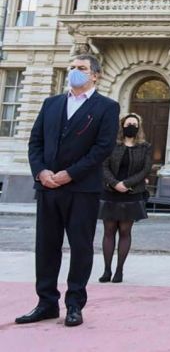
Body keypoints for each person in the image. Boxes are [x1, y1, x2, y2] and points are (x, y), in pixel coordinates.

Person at [17, 54, 120, 328]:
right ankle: (46, 302)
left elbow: (102, 148)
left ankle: (74, 303)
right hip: (48, 187)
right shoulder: (51, 104)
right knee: (46, 247)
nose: (75, 72)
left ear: (94, 75)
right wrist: (41, 172)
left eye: (82, 68)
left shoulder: (106, 107)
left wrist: (69, 174)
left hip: (82, 189)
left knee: (80, 247)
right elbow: (35, 142)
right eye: (72, 67)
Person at [98, 113, 153, 284]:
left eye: (134, 124)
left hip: (132, 193)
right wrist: (115, 184)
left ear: (139, 127)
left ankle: (119, 270)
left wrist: (127, 183)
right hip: (110, 192)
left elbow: (145, 169)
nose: (131, 126)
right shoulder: (112, 145)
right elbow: (103, 166)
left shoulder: (145, 147)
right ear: (122, 125)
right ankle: (107, 269)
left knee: (124, 231)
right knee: (108, 231)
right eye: (128, 123)